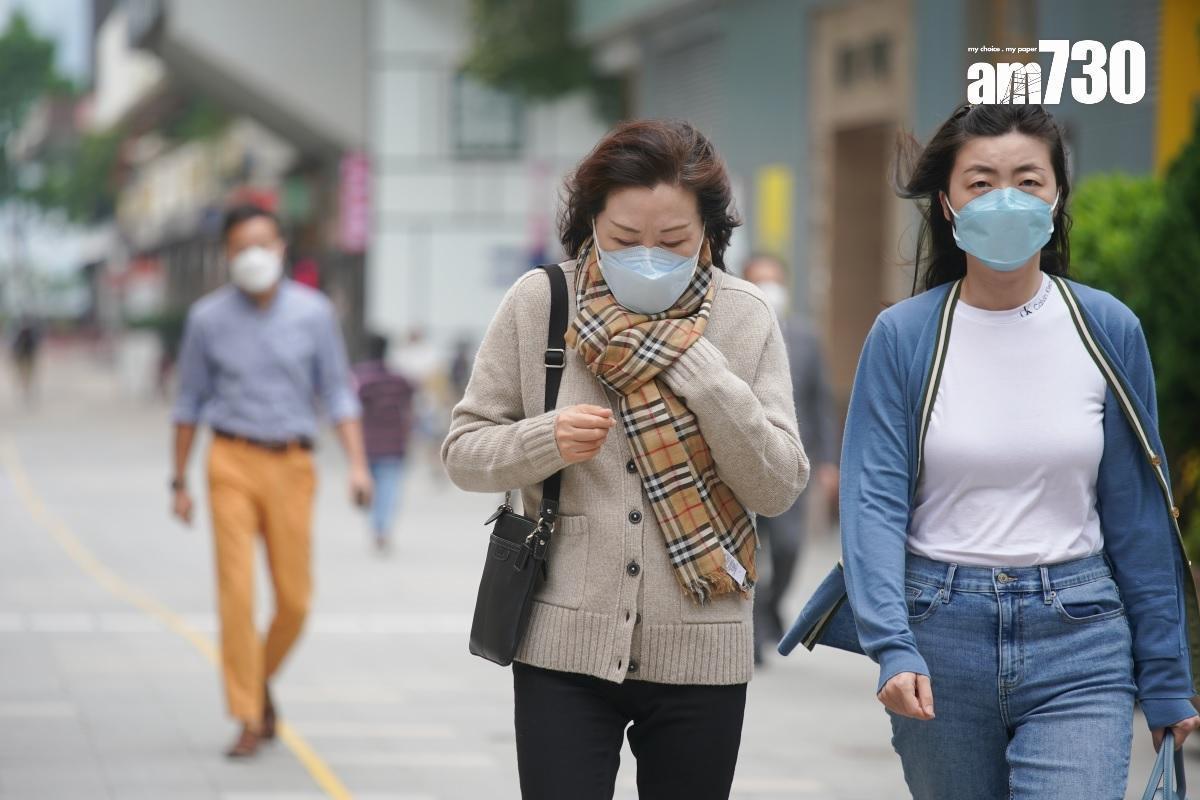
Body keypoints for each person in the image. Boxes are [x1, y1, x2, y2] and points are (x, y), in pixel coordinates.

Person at [794, 103, 1200, 799]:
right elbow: (873, 503)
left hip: (1082, 634)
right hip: (939, 635)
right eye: (980, 182)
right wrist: (892, 643)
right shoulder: (904, 335)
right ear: (947, 203)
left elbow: (1137, 513)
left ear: (1058, 194)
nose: (1005, 199)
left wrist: (1167, 675)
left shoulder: (1106, 327)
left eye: (1028, 180)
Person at [443, 119, 809, 800]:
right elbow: (463, 452)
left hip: (703, 652)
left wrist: (703, 374)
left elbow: (779, 484)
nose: (648, 256)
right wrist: (544, 438)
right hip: (561, 648)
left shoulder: (744, 316)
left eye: (671, 241)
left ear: (707, 232)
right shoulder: (542, 304)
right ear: (590, 227)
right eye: (622, 240)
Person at [169, 204, 373, 758]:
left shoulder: (314, 314)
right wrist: (178, 481)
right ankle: (246, 714)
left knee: (295, 600)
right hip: (229, 461)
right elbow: (187, 402)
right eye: (240, 247)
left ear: (282, 247)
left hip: (292, 465)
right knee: (236, 594)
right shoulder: (207, 320)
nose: (252, 255)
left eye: (262, 243)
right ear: (227, 254)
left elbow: (336, 391)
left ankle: (255, 682)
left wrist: (357, 464)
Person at [741, 254, 839, 664]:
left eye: (775, 281)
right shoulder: (732, 333)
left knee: (787, 547)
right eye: (760, 281)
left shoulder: (805, 338)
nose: (770, 290)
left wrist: (830, 462)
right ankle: (756, 626)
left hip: (794, 465)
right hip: (743, 465)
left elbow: (821, 403)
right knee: (749, 551)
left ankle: (769, 607)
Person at [352, 333, 416, 552]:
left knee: (372, 488)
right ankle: (382, 529)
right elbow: (410, 404)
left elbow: (352, 411)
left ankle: (376, 527)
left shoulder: (360, 378)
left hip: (367, 443)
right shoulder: (398, 379)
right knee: (389, 489)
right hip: (393, 443)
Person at [11, 316, 41, 406]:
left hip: (26, 357)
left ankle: (26, 388)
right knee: (25, 375)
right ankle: (26, 388)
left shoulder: (23, 333)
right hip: (24, 357)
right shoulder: (24, 333)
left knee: (26, 375)